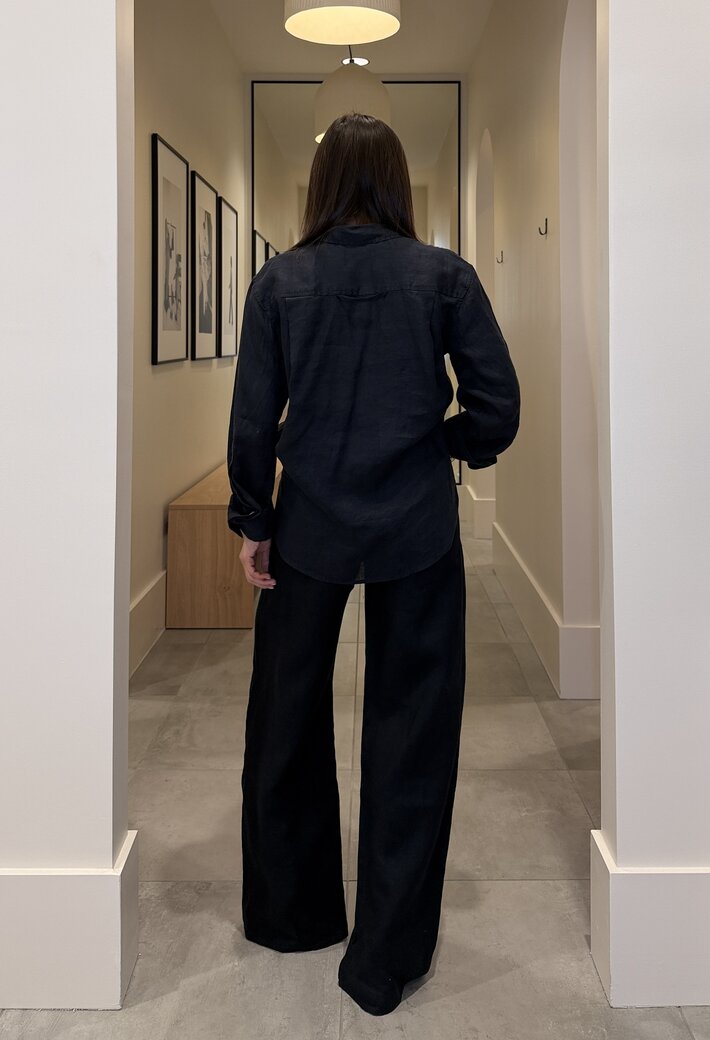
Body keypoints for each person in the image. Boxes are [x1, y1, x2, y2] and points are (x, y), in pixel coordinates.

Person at [225, 112, 520, 1016]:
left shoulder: (279, 282)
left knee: (284, 719)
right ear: (394, 182)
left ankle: (293, 915)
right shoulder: (444, 276)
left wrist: (253, 517)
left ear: (322, 187)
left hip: (308, 526)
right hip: (416, 528)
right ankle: (383, 960)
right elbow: (498, 408)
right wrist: (443, 445)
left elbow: (252, 417)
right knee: (413, 731)